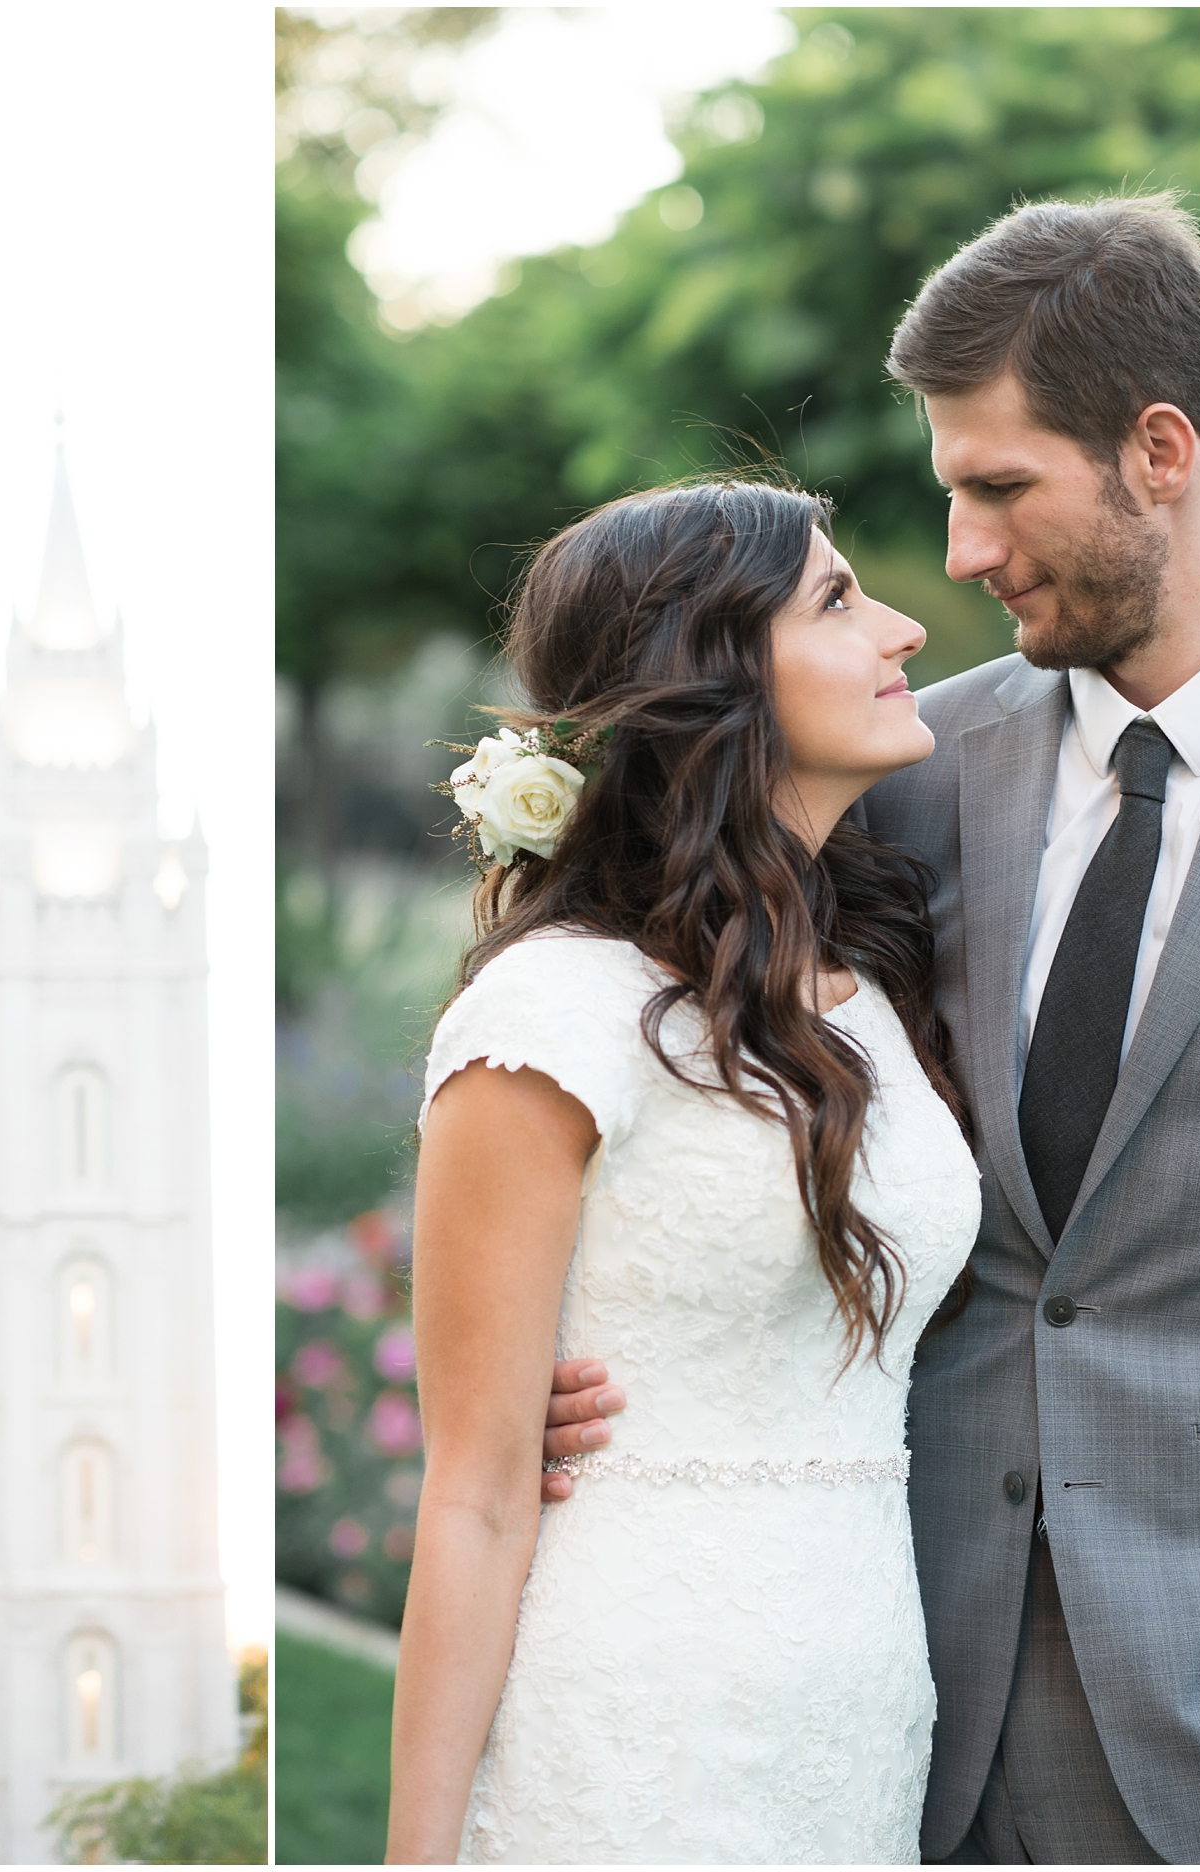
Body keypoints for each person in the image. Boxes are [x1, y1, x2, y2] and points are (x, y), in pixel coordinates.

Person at [542, 194, 1200, 1864]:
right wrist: (571, 1337)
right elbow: (690, 1046)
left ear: (1159, 452)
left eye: (1001, 489)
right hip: (889, 1664)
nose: (968, 551)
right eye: (949, 497)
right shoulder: (910, 769)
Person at [387, 478, 984, 1863]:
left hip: (858, 1717)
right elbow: (472, 1495)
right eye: (837, 599)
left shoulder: (870, 989)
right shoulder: (552, 1014)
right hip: (628, 1721)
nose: (901, 627)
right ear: (712, 672)